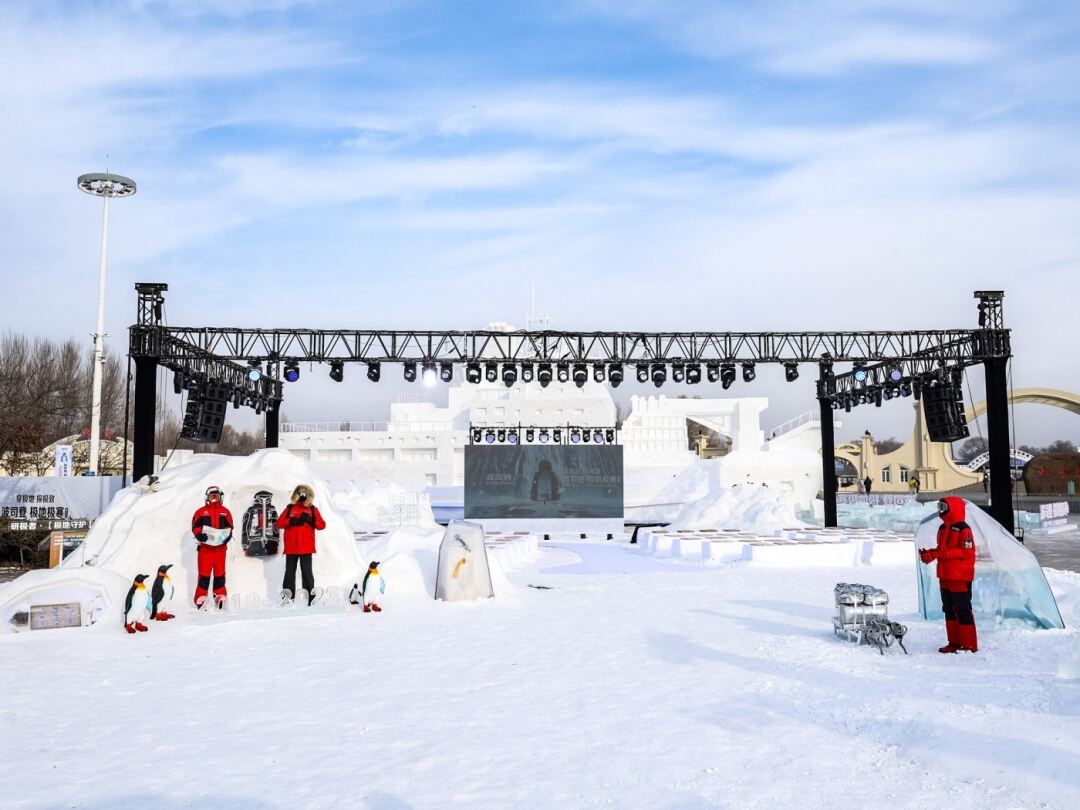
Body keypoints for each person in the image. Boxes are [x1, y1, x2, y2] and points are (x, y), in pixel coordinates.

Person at [919, 497, 978, 653]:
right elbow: (941, 550)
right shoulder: (942, 528)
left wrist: (939, 553)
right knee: (949, 608)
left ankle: (969, 644)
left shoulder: (964, 529)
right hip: (945, 575)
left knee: (962, 609)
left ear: (954, 508)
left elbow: (967, 552)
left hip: (960, 575)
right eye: (940, 506)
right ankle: (954, 642)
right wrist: (930, 553)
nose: (941, 509)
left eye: (944, 506)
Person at [276, 484, 325, 604]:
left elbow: (322, 525)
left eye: (305, 493)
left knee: (307, 573)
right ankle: (287, 598)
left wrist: (311, 520)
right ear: (297, 494)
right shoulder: (290, 508)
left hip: (306, 548)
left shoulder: (313, 509)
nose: (303, 496)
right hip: (292, 547)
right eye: (300, 493)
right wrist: (291, 521)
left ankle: (311, 599)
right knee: (289, 573)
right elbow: (279, 523)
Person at [191, 485, 234, 608]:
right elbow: (195, 526)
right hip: (205, 550)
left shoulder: (225, 512)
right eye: (212, 497)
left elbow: (230, 527)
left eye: (216, 497)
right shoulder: (200, 512)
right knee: (204, 574)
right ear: (207, 498)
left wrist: (228, 536)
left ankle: (219, 595)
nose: (214, 499)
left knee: (220, 574)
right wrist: (199, 535)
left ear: (220, 498)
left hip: (220, 549)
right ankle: (200, 597)